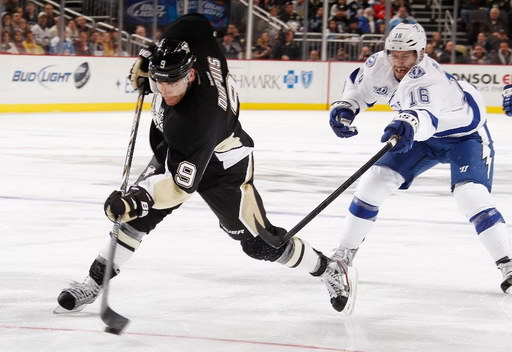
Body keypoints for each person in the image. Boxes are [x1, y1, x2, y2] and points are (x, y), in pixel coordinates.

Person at [53, 14, 353, 315]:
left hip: (223, 167)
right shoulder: (194, 46)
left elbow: (179, 187)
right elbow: (193, 21)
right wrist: (150, 54)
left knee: (261, 245)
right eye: (160, 82)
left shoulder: (196, 119)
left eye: (174, 82)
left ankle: (328, 269)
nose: (167, 91)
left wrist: (137, 199)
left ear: (191, 74)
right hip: (179, 150)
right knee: (135, 223)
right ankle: (93, 283)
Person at [328, 23, 512, 307]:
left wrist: (405, 124)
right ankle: (343, 256)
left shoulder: (429, 76)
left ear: (421, 53)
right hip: (421, 135)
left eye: (406, 55)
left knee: (470, 196)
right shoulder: (379, 63)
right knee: (374, 182)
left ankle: (508, 264)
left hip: (462, 136)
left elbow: (423, 114)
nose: (399, 62)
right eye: (394, 53)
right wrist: (345, 108)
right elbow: (357, 86)